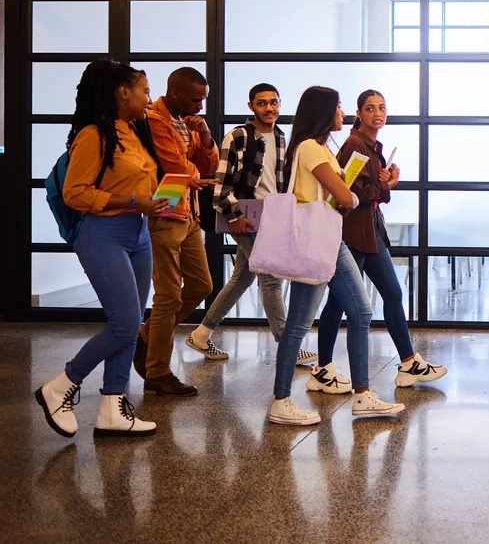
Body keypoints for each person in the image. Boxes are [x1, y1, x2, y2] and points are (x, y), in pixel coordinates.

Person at [36, 59, 166, 438]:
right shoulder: (94, 135)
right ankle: (60, 386)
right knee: (125, 324)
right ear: (122, 92)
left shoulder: (133, 131)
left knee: (128, 323)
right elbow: (76, 192)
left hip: (138, 234)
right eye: (144, 89)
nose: (149, 97)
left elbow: (140, 186)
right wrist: (131, 202)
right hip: (102, 234)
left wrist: (168, 192)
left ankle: (113, 405)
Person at [269, 86, 405, 425]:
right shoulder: (311, 149)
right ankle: (284, 400)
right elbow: (344, 197)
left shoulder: (321, 148)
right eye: (339, 107)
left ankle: (360, 395)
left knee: (356, 312)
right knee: (313, 320)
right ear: (324, 112)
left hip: (329, 238)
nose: (342, 113)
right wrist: (360, 193)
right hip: (318, 239)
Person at [314, 89, 446, 391]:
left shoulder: (371, 145)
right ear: (359, 113)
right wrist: (386, 184)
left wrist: (384, 183)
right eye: (370, 108)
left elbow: (368, 190)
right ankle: (322, 368)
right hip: (353, 232)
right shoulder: (354, 145)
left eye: (382, 108)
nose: (378, 113)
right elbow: (351, 193)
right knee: (338, 302)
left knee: (393, 293)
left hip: (371, 230)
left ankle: (409, 363)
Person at [188, 83, 318, 366]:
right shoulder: (237, 136)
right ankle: (288, 345)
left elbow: (281, 185)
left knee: (243, 277)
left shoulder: (283, 139)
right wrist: (234, 215)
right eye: (262, 103)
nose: (269, 108)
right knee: (270, 276)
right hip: (243, 216)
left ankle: (200, 334)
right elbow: (222, 184)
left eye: (274, 102)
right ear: (251, 107)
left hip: (271, 217)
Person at [135, 67, 219, 396]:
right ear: (175, 94)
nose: (200, 106)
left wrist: (207, 137)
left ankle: (148, 334)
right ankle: (157, 371)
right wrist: (193, 170)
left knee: (201, 284)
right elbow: (176, 166)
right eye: (196, 99)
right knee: (168, 295)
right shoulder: (155, 118)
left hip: (187, 210)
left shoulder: (187, 121)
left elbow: (208, 167)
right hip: (165, 211)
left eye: (204, 100)